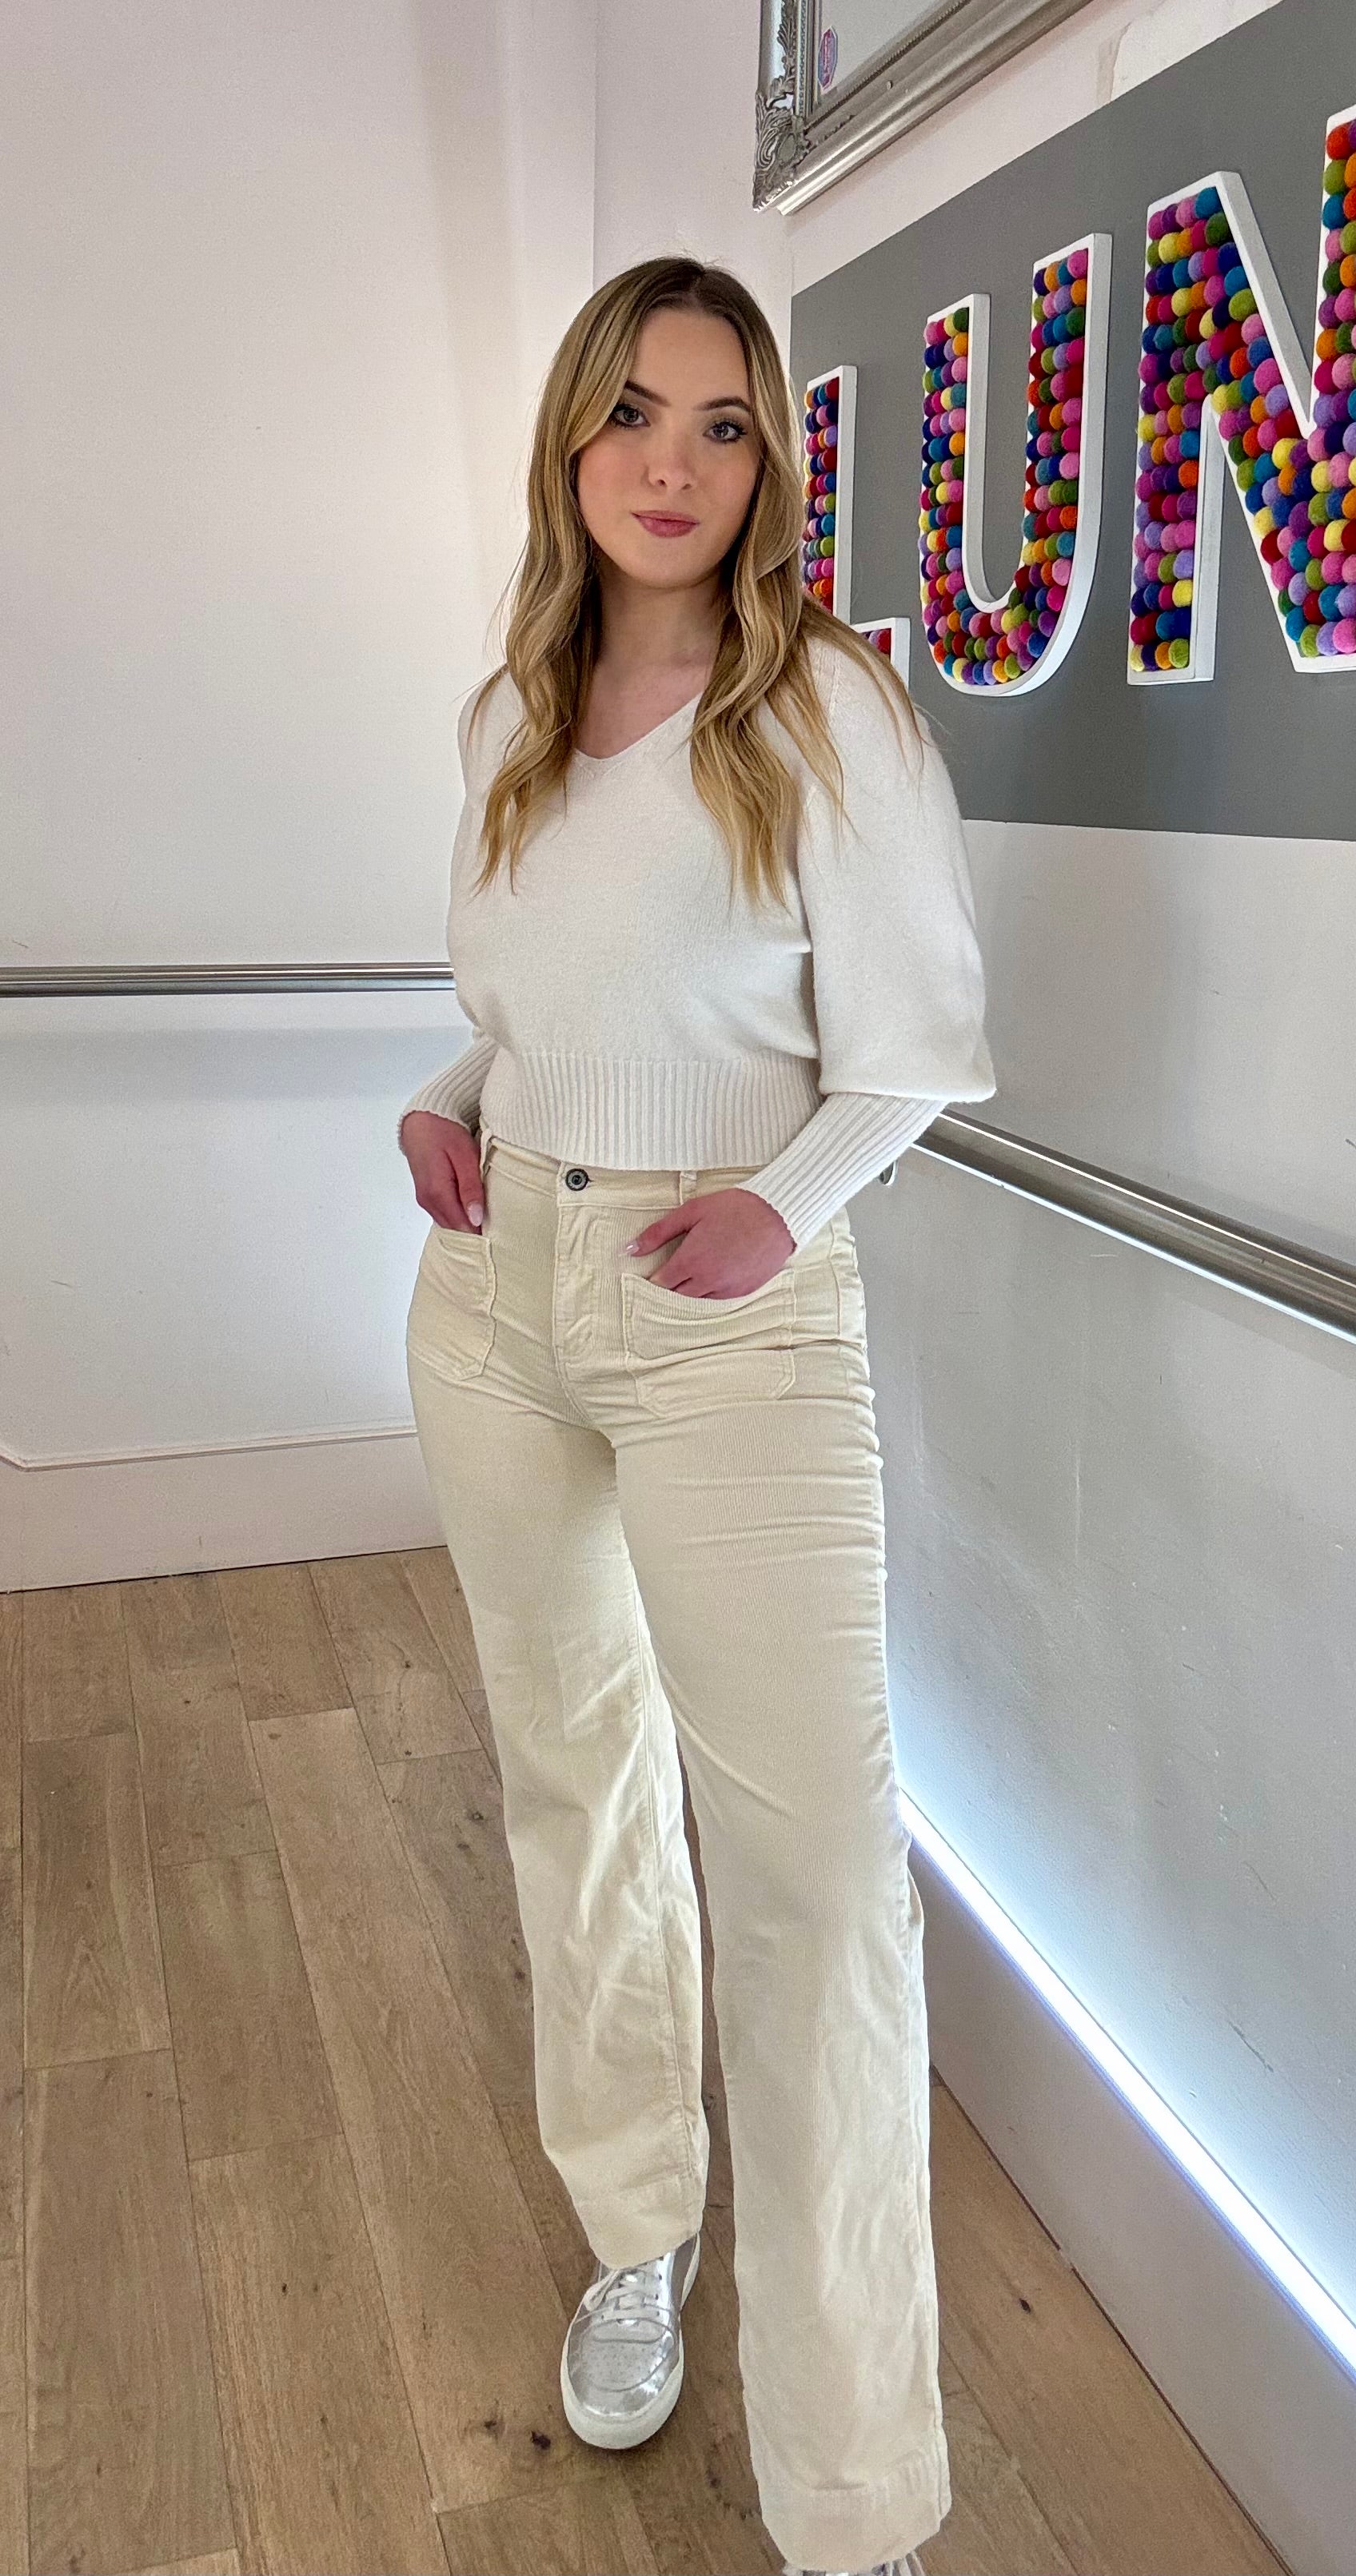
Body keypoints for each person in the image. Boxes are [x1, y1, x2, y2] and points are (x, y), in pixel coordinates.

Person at [397, 253, 995, 2576]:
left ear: (770, 464)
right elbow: (535, 996)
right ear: (572, 437)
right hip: (496, 1298)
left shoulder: (826, 706)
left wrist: (783, 1204)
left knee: (818, 1872)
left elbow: (916, 1044)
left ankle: (855, 2486)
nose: (673, 461)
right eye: (634, 413)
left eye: (724, 422)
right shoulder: (512, 714)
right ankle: (636, 2226)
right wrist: (450, 1093)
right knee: (574, 1781)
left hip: (726, 1305)